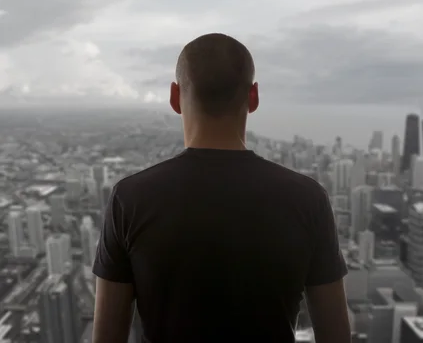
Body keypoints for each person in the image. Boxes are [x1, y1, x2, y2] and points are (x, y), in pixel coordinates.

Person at [92, 33, 351, 343]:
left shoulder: (130, 199)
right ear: (253, 98)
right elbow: (336, 336)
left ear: (175, 98)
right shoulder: (309, 199)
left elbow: (106, 337)